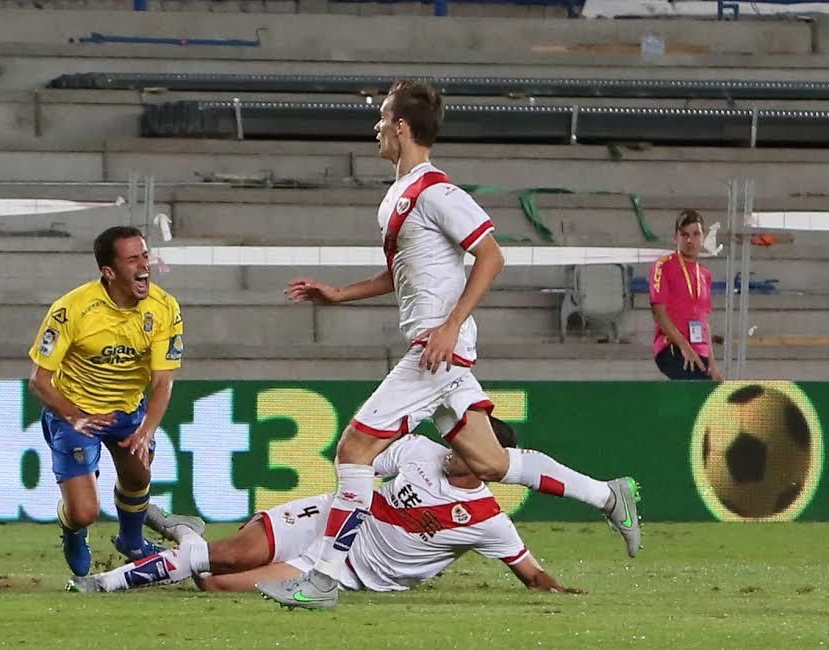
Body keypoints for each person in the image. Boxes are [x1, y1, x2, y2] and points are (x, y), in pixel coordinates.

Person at [255, 80, 642, 609]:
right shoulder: (400, 196)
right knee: (487, 462)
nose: (375, 128)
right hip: (439, 350)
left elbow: (492, 257)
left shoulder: (439, 192)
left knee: (354, 449)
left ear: (402, 127)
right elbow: (405, 273)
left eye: (382, 118)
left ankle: (324, 576)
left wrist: (452, 325)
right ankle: (606, 494)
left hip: (435, 351)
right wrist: (340, 294)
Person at [67, 420, 582, 597]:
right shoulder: (420, 451)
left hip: (337, 567)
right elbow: (362, 459)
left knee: (215, 581)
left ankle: (183, 532)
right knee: (225, 554)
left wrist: (564, 591)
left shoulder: (488, 520)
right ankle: (111, 583)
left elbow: (532, 575)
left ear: (486, 463)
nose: (453, 448)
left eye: (466, 447)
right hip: (328, 519)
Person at [28, 225, 184, 576]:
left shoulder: (164, 308)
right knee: (85, 511)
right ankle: (72, 528)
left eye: (145, 255)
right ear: (109, 271)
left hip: (128, 412)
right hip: (75, 415)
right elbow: (39, 381)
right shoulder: (71, 310)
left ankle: (131, 542)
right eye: (133, 259)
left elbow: (163, 381)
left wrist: (147, 429)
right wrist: (74, 417)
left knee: (138, 476)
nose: (144, 265)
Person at [650, 209, 722, 381]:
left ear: (703, 237)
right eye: (684, 235)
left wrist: (712, 366)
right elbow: (658, 312)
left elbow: (704, 322)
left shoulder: (704, 274)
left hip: (700, 352)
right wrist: (684, 346)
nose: (690, 240)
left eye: (695, 234)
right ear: (676, 237)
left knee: (705, 396)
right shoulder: (664, 265)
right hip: (673, 348)